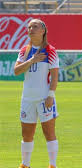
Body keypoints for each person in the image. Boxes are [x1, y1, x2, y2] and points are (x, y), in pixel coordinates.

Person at [14, 19, 59, 168]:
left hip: (44, 98)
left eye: (35, 26)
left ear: (43, 31)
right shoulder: (24, 51)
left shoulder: (50, 51)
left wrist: (51, 95)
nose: (31, 29)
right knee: (27, 135)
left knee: (49, 133)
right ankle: (25, 165)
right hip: (27, 98)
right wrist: (32, 60)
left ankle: (52, 165)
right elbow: (17, 71)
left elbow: (54, 76)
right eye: (29, 27)